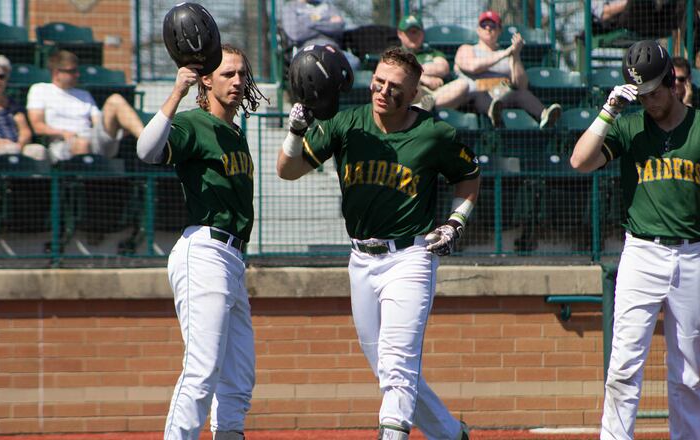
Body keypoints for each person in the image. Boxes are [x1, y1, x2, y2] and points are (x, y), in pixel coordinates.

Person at [278, 46, 478, 440]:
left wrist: (456, 222)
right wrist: (295, 133)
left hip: (410, 257)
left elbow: (469, 175)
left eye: (395, 87)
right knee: (387, 368)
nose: (383, 91)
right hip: (360, 260)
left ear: (414, 93)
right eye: (379, 81)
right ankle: (452, 435)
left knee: (398, 365)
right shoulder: (346, 123)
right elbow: (288, 170)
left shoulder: (433, 133)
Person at [569, 40, 700, 440]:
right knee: (623, 367)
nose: (648, 101)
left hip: (691, 256)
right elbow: (580, 161)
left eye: (653, 92)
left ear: (673, 82)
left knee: (688, 372)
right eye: (640, 93)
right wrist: (609, 110)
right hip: (640, 252)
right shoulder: (628, 125)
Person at [136, 44, 267, 440]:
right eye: (228, 73)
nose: (238, 81)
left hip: (232, 258)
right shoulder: (195, 122)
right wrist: (177, 92)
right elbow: (146, 150)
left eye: (242, 73)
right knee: (202, 368)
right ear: (206, 80)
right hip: (205, 250)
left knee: (239, 373)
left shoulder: (235, 132)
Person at [27, 50, 144, 163]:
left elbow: (97, 121)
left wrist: (116, 127)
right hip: (62, 143)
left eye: (77, 70)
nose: (77, 75)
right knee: (82, 143)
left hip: (93, 139)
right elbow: (37, 126)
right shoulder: (40, 90)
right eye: (72, 71)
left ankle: (146, 140)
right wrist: (63, 133)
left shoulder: (84, 94)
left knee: (115, 99)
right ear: (57, 73)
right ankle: (82, 176)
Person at [454, 10, 561, 128]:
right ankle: (493, 113)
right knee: (480, 95)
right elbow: (472, 67)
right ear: (478, 30)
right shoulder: (467, 49)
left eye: (492, 25)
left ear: (499, 30)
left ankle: (545, 116)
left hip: (502, 94)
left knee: (522, 94)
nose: (488, 28)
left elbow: (521, 85)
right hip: (477, 95)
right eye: (484, 25)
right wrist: (505, 53)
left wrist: (515, 55)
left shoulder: (509, 55)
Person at [0, 55, 46, 167]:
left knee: (38, 150)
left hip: (16, 145)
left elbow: (25, 130)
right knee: (7, 150)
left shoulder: (13, 104)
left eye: (1, 76)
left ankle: (41, 179)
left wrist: (20, 144)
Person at [396, 14, 468, 112]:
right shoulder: (395, 53)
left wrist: (412, 71)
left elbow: (443, 68)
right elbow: (396, 74)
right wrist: (423, 79)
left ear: (422, 33)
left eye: (417, 32)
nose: (414, 36)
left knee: (463, 84)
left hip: (436, 94)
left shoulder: (432, 52)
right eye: (410, 32)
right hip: (412, 92)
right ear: (400, 34)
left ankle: (423, 106)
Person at [280, 0, 361, 70]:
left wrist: (308, 24)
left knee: (354, 62)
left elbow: (338, 26)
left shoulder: (328, 5)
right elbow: (296, 33)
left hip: (332, 50)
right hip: (306, 53)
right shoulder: (290, 8)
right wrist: (326, 22)